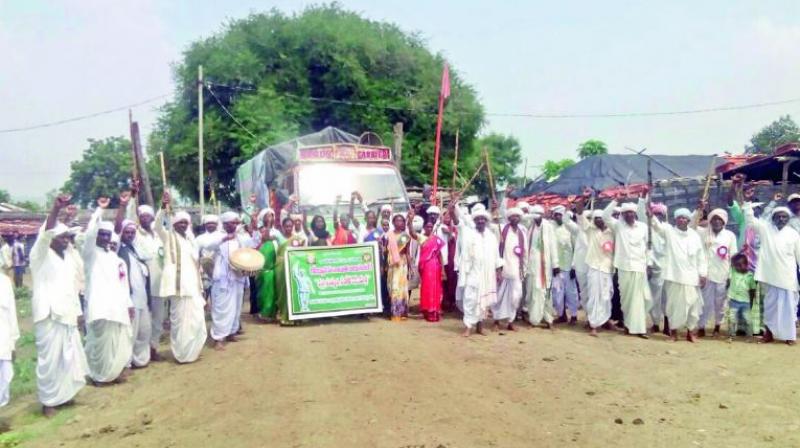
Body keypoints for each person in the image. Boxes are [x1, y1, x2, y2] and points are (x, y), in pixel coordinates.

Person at [30, 194, 89, 416]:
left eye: (68, 237)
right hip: (48, 315)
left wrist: (79, 312)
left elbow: (72, 289)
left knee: (68, 356)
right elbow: (44, 235)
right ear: (52, 238)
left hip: (67, 314)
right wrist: (55, 209)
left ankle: (64, 396)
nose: (66, 240)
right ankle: (48, 402)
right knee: (49, 359)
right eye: (62, 237)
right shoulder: (40, 255)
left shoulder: (68, 259)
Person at [82, 198, 134, 385]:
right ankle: (98, 375)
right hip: (100, 308)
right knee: (99, 344)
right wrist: (99, 211)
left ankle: (112, 372)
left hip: (117, 308)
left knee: (117, 342)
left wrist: (129, 304)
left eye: (107, 235)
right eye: (101, 234)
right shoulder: (91, 255)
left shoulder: (115, 258)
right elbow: (88, 235)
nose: (104, 238)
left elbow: (123, 285)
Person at [155, 192, 207, 363]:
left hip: (193, 288)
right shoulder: (168, 237)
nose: (183, 225)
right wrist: (163, 208)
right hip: (178, 288)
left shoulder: (191, 241)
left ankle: (192, 352)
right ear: (174, 224)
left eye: (186, 222)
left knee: (197, 320)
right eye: (180, 222)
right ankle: (181, 354)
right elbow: (157, 226)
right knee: (180, 323)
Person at [198, 211, 260, 350]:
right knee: (221, 308)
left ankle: (231, 332)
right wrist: (226, 238)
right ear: (225, 224)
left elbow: (254, 244)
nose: (236, 225)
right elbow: (208, 247)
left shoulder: (240, 238)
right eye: (233, 222)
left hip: (238, 277)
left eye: (237, 223)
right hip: (222, 279)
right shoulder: (218, 236)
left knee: (236, 307)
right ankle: (218, 338)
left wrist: (255, 228)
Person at [744, 203, 800, 344]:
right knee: (770, 307)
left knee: (789, 307)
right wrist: (748, 206)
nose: (781, 219)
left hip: (788, 278)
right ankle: (768, 334)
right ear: (773, 218)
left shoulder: (793, 234)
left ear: (788, 219)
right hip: (769, 276)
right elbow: (751, 221)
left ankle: (789, 336)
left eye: (784, 217)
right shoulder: (766, 229)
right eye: (778, 216)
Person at [651, 208, 707, 342]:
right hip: (674, 276)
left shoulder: (694, 236)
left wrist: (703, 274)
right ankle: (674, 333)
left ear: (688, 220)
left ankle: (690, 333)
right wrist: (649, 210)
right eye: (679, 217)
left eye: (684, 218)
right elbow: (655, 225)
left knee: (693, 307)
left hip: (692, 278)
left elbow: (701, 257)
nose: (682, 220)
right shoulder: (669, 231)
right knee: (673, 306)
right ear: (675, 219)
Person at [450, 198, 503, 337]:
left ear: (486, 221)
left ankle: (479, 327)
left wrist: (498, 271)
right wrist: (451, 210)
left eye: (483, 219)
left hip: (487, 273)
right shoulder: (468, 233)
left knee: (483, 302)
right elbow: (457, 223)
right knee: (470, 298)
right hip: (472, 272)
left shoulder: (491, 236)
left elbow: (497, 255)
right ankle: (468, 327)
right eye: (478, 219)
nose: (480, 221)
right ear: (474, 220)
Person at [126, 185, 167, 362]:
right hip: (142, 285)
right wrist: (133, 196)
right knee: (141, 320)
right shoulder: (135, 234)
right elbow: (129, 216)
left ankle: (153, 348)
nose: (146, 218)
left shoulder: (158, 235)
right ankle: (134, 354)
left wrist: (164, 207)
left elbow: (160, 222)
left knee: (158, 318)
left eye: (148, 216)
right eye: (142, 216)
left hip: (160, 283)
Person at [604, 197, 651, 338]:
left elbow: (647, 248)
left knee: (640, 299)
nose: (629, 215)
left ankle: (640, 329)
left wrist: (649, 265)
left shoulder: (643, 227)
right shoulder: (618, 226)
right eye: (626, 213)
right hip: (624, 267)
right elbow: (605, 215)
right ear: (622, 215)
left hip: (639, 267)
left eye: (631, 212)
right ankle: (629, 326)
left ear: (635, 214)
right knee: (626, 300)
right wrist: (615, 200)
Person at [115, 205, 152, 369]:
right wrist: (124, 207)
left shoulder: (136, 250)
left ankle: (140, 359)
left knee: (144, 331)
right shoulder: (117, 249)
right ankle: (127, 362)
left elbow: (148, 254)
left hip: (142, 297)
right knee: (131, 332)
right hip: (129, 299)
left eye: (132, 233)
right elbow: (116, 231)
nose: (129, 235)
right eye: (126, 232)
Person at [694, 207, 738, 337]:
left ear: (724, 221)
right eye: (714, 219)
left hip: (723, 275)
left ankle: (717, 326)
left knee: (720, 303)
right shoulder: (703, 233)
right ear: (710, 221)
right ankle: (701, 326)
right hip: (706, 275)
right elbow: (692, 225)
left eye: (720, 220)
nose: (717, 222)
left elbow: (733, 256)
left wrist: (731, 276)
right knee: (704, 302)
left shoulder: (730, 235)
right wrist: (699, 209)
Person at [573, 201, 615, 336]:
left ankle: (605, 320)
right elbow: (579, 214)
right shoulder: (591, 230)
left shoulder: (612, 232)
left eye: (600, 218)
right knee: (594, 297)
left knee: (607, 296)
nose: (598, 220)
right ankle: (593, 325)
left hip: (607, 269)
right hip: (594, 268)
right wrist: (583, 199)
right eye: (596, 218)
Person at [492, 207, 527, 331]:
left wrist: (524, 269)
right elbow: (496, 248)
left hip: (517, 270)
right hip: (504, 269)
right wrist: (498, 269)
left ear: (519, 218)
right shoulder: (502, 230)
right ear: (509, 218)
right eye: (513, 216)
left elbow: (525, 252)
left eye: (517, 216)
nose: (515, 218)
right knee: (499, 296)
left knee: (516, 296)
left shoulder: (522, 232)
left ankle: (510, 321)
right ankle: (496, 320)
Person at [524, 205, 559, 328]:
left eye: (539, 214)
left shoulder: (548, 227)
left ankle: (548, 319)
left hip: (545, 266)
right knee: (534, 292)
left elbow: (553, 245)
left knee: (546, 292)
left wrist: (555, 264)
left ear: (543, 215)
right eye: (535, 215)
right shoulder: (530, 227)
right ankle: (534, 319)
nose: (536, 217)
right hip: (532, 265)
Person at [640, 200, 669, 334]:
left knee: (667, 298)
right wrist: (649, 264)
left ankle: (668, 325)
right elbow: (647, 248)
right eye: (655, 214)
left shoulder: (668, 229)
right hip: (653, 268)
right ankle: (656, 323)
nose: (657, 216)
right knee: (654, 298)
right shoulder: (647, 229)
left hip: (668, 269)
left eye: (659, 214)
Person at [384, 211, 417, 321]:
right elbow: (385, 251)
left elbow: (407, 252)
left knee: (401, 289)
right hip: (392, 264)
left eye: (402, 220)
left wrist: (411, 268)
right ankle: (394, 312)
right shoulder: (389, 235)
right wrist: (384, 265)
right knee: (392, 288)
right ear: (393, 222)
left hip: (402, 264)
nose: (400, 222)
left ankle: (401, 312)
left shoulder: (406, 236)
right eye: (398, 220)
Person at [550, 205, 579, 324]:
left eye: (560, 215)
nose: (558, 217)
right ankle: (561, 315)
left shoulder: (570, 229)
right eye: (556, 215)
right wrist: (554, 265)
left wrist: (574, 266)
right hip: (556, 267)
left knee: (571, 292)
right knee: (557, 293)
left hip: (568, 266)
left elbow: (576, 248)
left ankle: (574, 315)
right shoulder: (551, 228)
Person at [275, 217, 308, 326]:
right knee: (283, 293)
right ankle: (284, 317)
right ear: (283, 227)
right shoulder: (278, 238)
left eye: (290, 226)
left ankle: (296, 317)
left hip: (293, 268)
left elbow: (301, 252)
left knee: (294, 290)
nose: (288, 228)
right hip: (281, 269)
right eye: (286, 226)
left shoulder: (297, 238)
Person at [255, 208, 280, 322]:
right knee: (263, 291)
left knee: (274, 290)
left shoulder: (277, 232)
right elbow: (262, 240)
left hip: (274, 267)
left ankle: (272, 313)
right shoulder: (258, 231)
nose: (271, 218)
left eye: (272, 216)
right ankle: (263, 313)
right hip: (261, 268)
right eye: (268, 216)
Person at [418, 221, 445, 322]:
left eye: (431, 226)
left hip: (435, 266)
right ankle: (426, 311)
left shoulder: (436, 239)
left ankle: (434, 312)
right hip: (425, 267)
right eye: (427, 226)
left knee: (436, 289)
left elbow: (440, 255)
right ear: (424, 227)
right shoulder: (421, 238)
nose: (429, 228)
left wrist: (443, 269)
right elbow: (412, 233)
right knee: (426, 288)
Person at [727, 253, 756, 342]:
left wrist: (751, 302)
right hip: (733, 301)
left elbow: (752, 290)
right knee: (731, 319)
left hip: (745, 302)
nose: (738, 267)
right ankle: (731, 335)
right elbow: (730, 261)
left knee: (748, 320)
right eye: (736, 266)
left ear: (746, 264)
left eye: (740, 265)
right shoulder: (733, 272)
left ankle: (750, 336)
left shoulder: (750, 276)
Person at [0, 270, 19, 407]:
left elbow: (11, 313)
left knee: (4, 377)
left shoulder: (4, 282)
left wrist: (13, 342)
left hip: (3, 338)